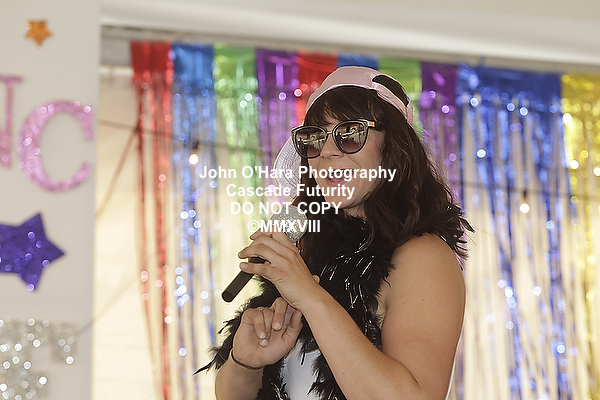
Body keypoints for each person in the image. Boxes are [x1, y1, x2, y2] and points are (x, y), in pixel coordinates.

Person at [199, 66, 472, 400]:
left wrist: (310, 297)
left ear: (393, 148)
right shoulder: (308, 252)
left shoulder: (424, 256)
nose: (327, 151)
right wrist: (246, 363)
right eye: (314, 139)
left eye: (350, 133)